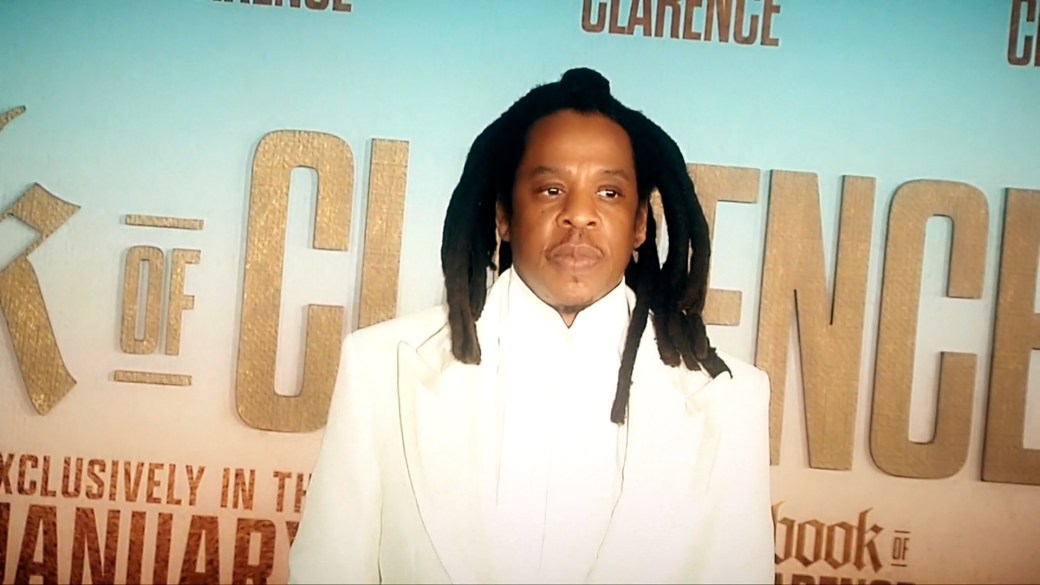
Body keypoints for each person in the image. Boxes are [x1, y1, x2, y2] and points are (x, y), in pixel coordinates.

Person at [288, 67, 773, 584]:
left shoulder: (731, 400)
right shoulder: (379, 368)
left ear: (639, 226)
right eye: (550, 189)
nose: (579, 214)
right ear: (504, 215)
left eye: (609, 193)